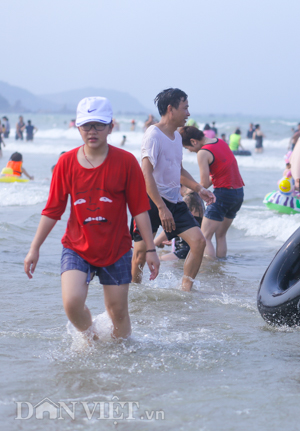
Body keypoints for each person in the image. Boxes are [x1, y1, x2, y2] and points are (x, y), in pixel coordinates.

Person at [23, 96, 160, 341]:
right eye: (86, 125)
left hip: (116, 248)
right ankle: (92, 340)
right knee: (72, 304)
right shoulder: (66, 163)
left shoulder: (126, 162)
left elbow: (140, 209)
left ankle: (121, 353)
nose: (92, 131)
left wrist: (150, 249)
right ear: (78, 127)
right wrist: (34, 248)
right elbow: (53, 210)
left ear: (111, 126)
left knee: (117, 311)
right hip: (77, 247)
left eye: (98, 124)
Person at [130, 88, 215, 291]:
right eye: (185, 108)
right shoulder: (153, 135)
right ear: (171, 109)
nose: (188, 113)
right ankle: (134, 293)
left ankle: (185, 292)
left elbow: (178, 169)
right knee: (140, 253)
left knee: (198, 242)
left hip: (174, 201)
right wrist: (160, 207)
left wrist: (198, 188)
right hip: (149, 201)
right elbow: (146, 173)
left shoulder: (177, 137)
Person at [179, 126, 244, 259]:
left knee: (204, 237)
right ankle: (220, 266)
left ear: (193, 141)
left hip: (222, 194)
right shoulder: (220, 141)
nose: (189, 151)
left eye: (187, 148)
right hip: (238, 193)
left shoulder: (203, 152)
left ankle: (209, 270)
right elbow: (211, 179)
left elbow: (203, 184)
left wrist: (188, 190)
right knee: (220, 235)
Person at [155, 188, 204, 261]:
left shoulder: (187, 199)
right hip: (192, 248)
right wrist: (172, 241)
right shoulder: (198, 199)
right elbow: (189, 228)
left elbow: (173, 225)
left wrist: (152, 245)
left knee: (158, 260)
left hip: (184, 251)